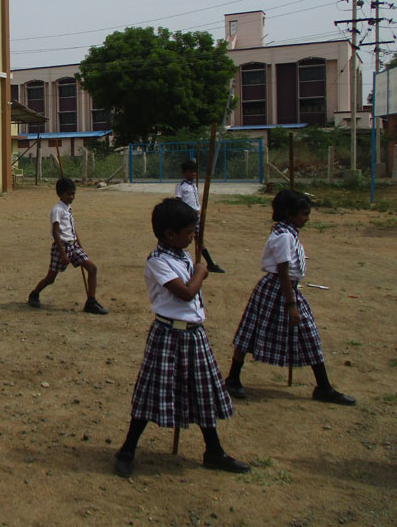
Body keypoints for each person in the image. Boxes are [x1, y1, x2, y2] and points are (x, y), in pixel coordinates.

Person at [114, 198, 248, 478]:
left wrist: (196, 265)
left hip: (193, 335)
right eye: (188, 232)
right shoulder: (158, 262)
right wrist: (200, 272)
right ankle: (127, 449)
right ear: (170, 234)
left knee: (201, 392)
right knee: (152, 393)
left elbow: (191, 283)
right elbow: (185, 293)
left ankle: (214, 451)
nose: (192, 236)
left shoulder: (183, 256)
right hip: (168, 334)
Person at [225, 190, 355, 405]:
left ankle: (323, 386)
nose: (307, 218)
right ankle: (233, 378)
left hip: (285, 288)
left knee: (307, 336)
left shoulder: (288, 232)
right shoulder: (284, 236)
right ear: (289, 213)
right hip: (278, 289)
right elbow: (283, 271)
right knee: (252, 332)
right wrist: (291, 305)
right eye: (304, 214)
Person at [27, 177, 107, 314]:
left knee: (92, 268)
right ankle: (34, 294)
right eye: (69, 194)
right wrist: (63, 254)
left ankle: (91, 302)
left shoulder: (68, 208)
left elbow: (72, 228)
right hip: (61, 247)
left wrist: (79, 245)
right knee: (51, 278)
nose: (72, 197)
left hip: (73, 245)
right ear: (59, 194)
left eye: (73, 194)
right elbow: (56, 232)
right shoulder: (57, 210)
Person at [175, 159, 224, 273]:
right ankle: (209, 264)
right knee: (192, 238)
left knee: (198, 239)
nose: (193, 174)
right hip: (187, 216)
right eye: (190, 172)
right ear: (184, 172)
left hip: (196, 215)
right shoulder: (181, 186)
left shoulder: (193, 186)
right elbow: (178, 201)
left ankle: (209, 264)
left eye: (194, 172)